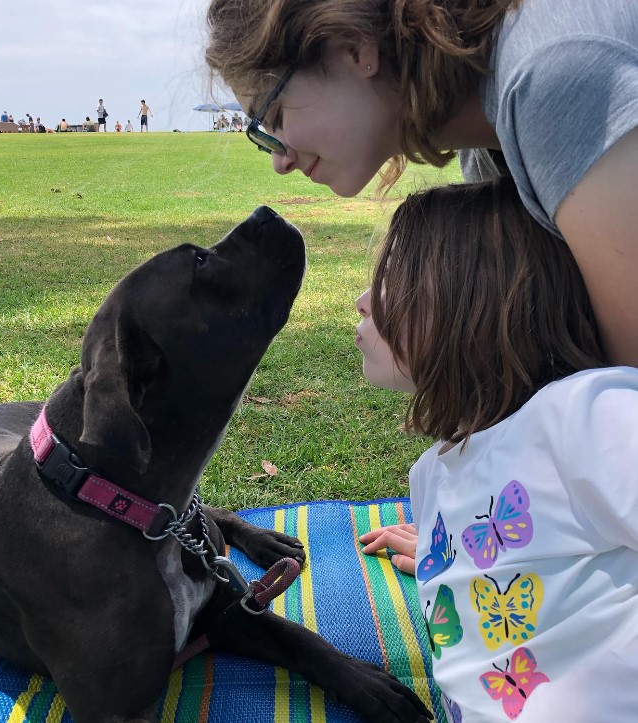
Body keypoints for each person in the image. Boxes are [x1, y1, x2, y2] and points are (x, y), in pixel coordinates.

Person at [205, 0, 638, 368]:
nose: (279, 160)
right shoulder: (484, 144)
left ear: (354, 47)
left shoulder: (550, 75)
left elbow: (624, 406)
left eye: (274, 117)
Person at [355, 175, 638, 721]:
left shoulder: (581, 418)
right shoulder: (433, 477)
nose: (362, 301)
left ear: (472, 296)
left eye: (389, 278)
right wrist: (459, 558)